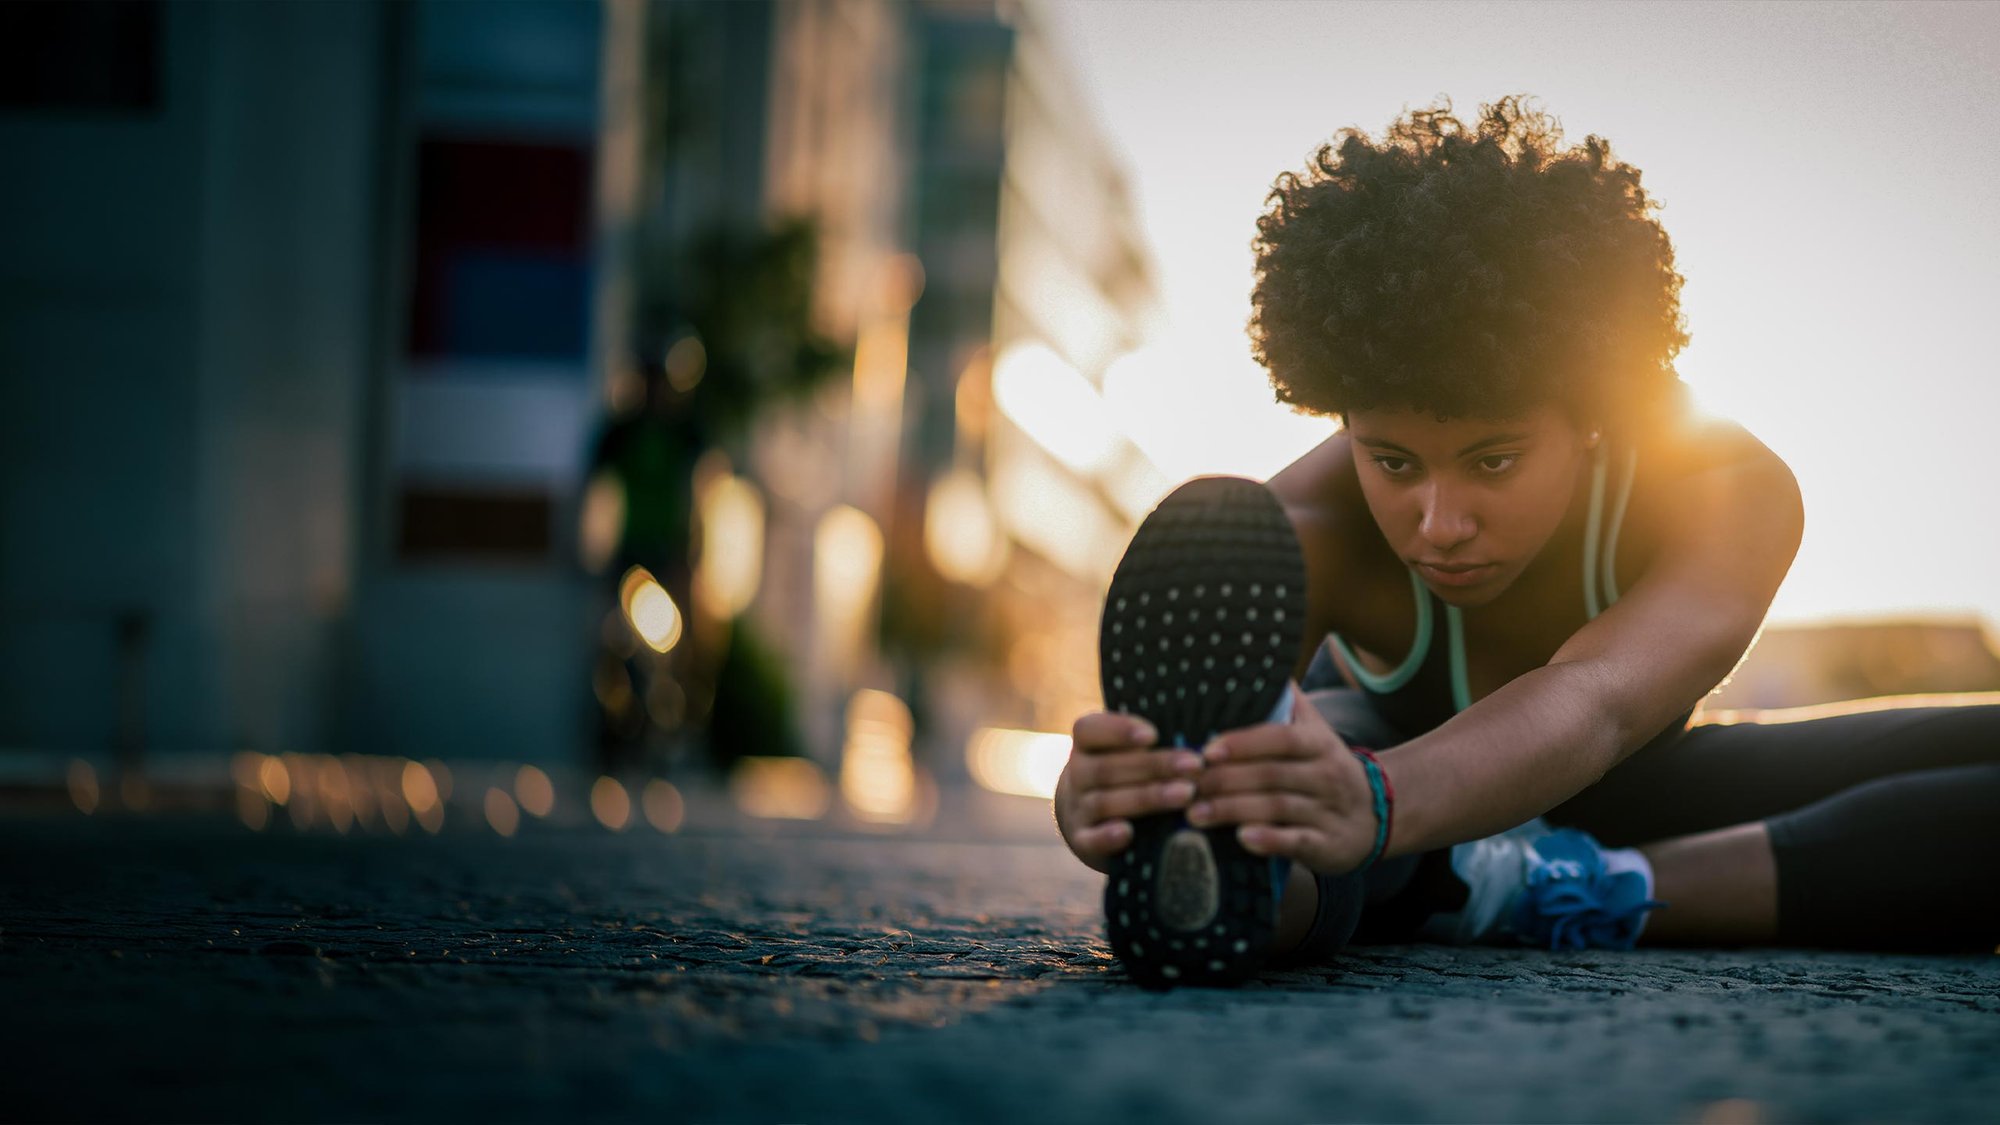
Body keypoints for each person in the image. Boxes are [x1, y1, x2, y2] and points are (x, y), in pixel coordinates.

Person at [1053, 96, 2000, 988]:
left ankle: (1538, 888)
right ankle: (1292, 896)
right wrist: (1120, 798)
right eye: (1390, 460)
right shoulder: (1298, 527)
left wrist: (1377, 802)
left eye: (1493, 462)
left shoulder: (1730, 490)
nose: (1439, 522)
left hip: (1616, 784)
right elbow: (1237, 758)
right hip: (1375, 788)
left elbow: (1598, 701)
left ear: (1594, 413)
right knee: (1305, 784)